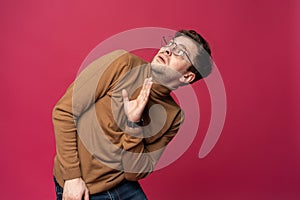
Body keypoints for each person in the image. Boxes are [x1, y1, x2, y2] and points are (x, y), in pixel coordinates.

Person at [52, 29, 212, 200]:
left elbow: (134, 173)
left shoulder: (174, 117)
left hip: (122, 186)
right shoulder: (123, 63)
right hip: (81, 184)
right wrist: (72, 177)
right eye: (171, 43)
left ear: (187, 77)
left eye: (180, 52)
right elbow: (64, 112)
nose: (168, 50)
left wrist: (133, 125)